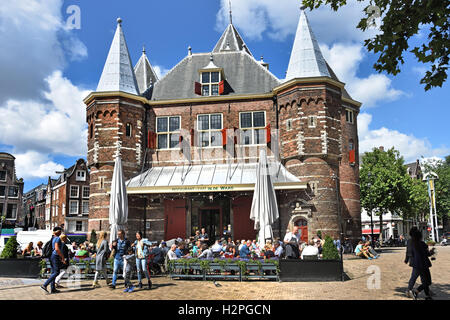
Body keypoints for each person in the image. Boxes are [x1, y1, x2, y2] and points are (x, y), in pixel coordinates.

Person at [405, 228, 434, 300]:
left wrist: (407, 259)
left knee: (415, 278)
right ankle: (417, 292)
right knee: (427, 281)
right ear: (420, 236)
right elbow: (428, 254)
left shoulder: (410, 242)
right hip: (423, 264)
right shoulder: (422, 244)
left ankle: (411, 291)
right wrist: (432, 252)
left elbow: (408, 252)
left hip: (415, 263)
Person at [40, 227, 65, 294]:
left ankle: (53, 289)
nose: (60, 232)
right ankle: (44, 285)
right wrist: (62, 257)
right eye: (60, 231)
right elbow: (57, 249)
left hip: (51, 256)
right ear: (58, 232)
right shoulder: (57, 238)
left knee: (53, 272)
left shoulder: (53, 238)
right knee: (56, 272)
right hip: (55, 256)